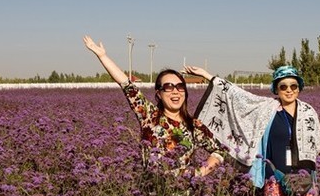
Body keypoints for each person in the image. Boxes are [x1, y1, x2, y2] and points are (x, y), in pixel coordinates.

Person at [187, 64, 320, 196]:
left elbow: (317, 140)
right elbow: (238, 96)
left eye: (293, 86)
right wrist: (207, 75)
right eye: (283, 86)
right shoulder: (266, 109)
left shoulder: (309, 113)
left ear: (299, 88)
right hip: (274, 177)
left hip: (304, 178)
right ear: (276, 89)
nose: (289, 90)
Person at [82, 35, 227, 177]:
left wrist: (200, 172)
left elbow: (220, 151)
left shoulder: (194, 125)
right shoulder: (149, 115)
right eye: (169, 87)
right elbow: (126, 84)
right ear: (159, 94)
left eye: (180, 87)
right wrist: (102, 56)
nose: (175, 91)